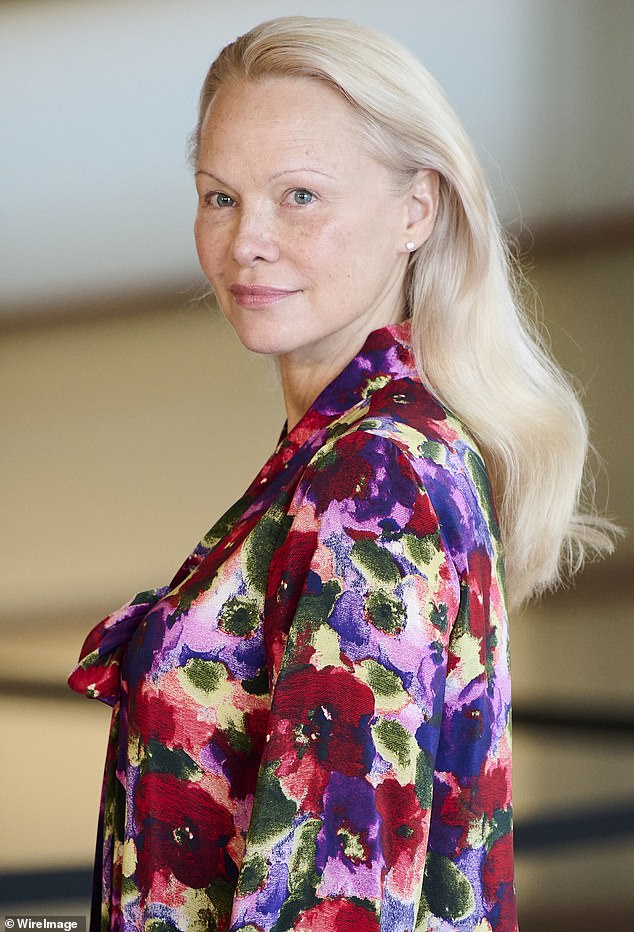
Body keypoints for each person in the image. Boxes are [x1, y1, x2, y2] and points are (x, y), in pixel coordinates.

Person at [68, 16, 616, 932]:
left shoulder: (378, 480)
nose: (247, 239)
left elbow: (342, 897)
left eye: (300, 196)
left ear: (417, 210)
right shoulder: (336, 461)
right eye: (220, 197)